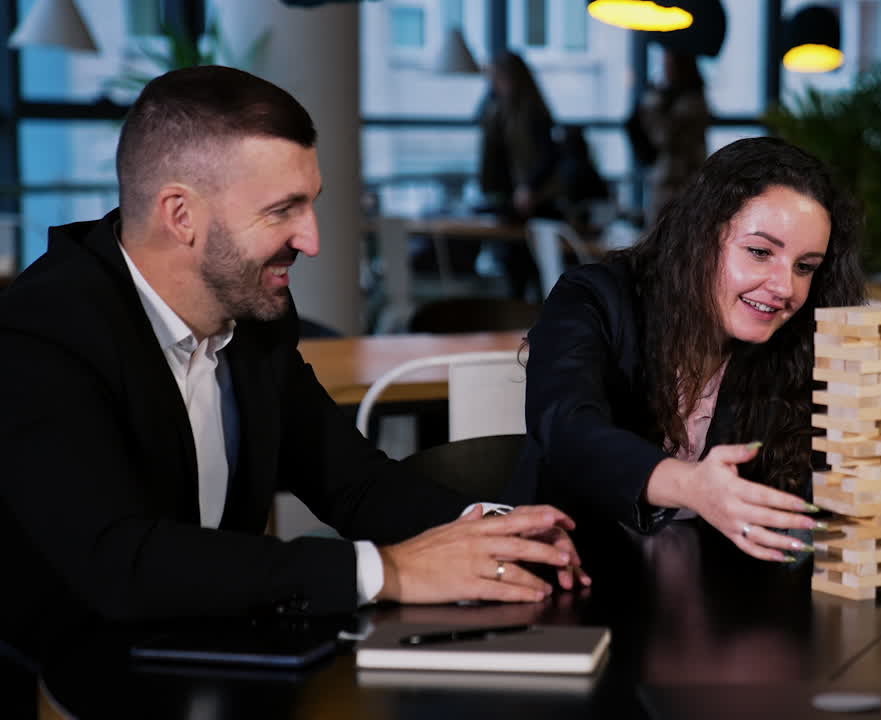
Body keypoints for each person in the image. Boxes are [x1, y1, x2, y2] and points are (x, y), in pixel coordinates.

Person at [0, 66, 588, 666]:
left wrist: (490, 528)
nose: (311, 239)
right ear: (181, 215)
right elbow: (119, 563)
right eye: (283, 210)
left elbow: (352, 482)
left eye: (311, 205)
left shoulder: (254, 314)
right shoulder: (44, 331)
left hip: (222, 656)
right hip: (72, 679)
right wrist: (385, 571)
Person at [516, 136, 881, 561]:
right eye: (760, 252)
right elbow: (567, 427)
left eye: (805, 267)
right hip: (571, 578)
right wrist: (692, 486)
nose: (784, 287)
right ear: (701, 236)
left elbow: (833, 491)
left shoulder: (793, 341)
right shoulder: (596, 298)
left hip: (716, 611)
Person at [478, 52, 559, 298]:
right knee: (514, 271)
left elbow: (548, 156)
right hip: (509, 200)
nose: (495, 84)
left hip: (534, 201)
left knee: (533, 271)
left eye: (498, 78)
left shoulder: (532, 112)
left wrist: (529, 188)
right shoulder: (499, 111)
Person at [628, 49, 711, 228]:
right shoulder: (677, 98)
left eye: (669, 63)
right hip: (669, 178)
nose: (666, 68)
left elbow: (665, 136)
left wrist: (654, 106)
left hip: (680, 180)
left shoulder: (691, 103)